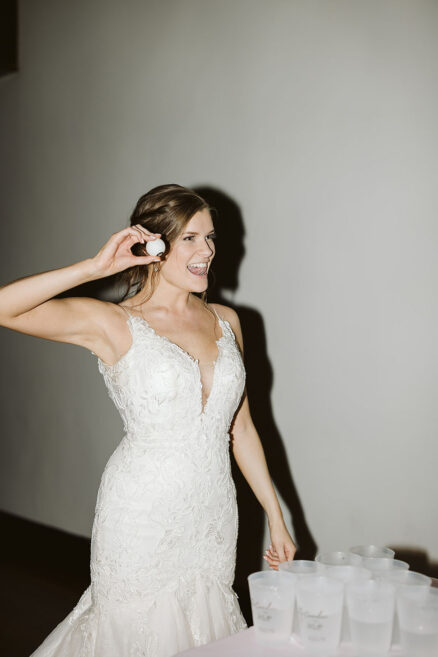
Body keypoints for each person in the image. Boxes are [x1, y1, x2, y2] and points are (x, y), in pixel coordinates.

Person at [0, 184, 296, 657]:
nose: (208, 251)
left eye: (211, 237)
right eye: (191, 239)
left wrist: (276, 518)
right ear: (153, 247)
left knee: (207, 628)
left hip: (213, 516)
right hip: (140, 516)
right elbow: (4, 308)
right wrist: (94, 268)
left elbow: (240, 429)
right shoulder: (114, 323)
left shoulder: (227, 321)